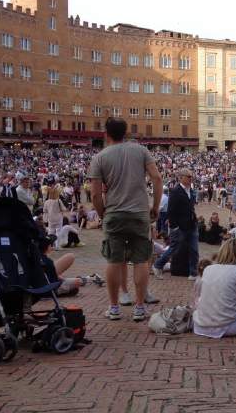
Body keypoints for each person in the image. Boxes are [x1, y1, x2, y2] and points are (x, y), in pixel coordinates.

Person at [89, 117, 163, 321]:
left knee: (114, 259)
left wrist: (103, 213)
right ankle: (139, 307)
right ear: (125, 133)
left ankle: (114, 308)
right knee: (141, 260)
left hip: (114, 212)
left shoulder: (100, 157)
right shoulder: (140, 150)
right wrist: (155, 206)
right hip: (139, 212)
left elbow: (95, 195)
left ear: (106, 134)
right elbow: (156, 178)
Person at [153, 168, 199, 280]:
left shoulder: (191, 191)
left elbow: (190, 207)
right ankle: (158, 264)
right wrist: (174, 226)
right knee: (174, 248)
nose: (191, 179)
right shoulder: (175, 191)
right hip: (180, 226)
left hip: (192, 224)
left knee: (194, 249)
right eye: (189, 177)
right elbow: (171, 210)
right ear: (181, 177)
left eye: (191, 177)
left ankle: (193, 272)